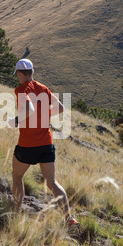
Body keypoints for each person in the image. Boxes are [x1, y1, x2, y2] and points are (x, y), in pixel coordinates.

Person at [10, 59, 79, 227]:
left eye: (17, 74)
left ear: (20, 73)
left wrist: (17, 120)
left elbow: (29, 109)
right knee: (52, 182)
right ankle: (69, 218)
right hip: (46, 143)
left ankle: (16, 214)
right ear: (32, 72)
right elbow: (61, 107)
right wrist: (44, 114)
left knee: (17, 176)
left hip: (27, 144)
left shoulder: (20, 89)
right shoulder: (43, 88)